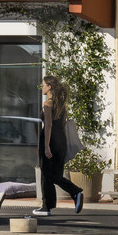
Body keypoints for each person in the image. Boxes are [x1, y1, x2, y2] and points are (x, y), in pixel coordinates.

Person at [36, 74, 83, 216]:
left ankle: (46, 206)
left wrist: (46, 146)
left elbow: (48, 125)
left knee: (46, 174)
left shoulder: (48, 104)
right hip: (60, 140)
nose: (41, 87)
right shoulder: (62, 105)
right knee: (55, 175)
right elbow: (62, 124)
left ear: (49, 87)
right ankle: (75, 192)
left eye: (43, 85)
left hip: (50, 139)